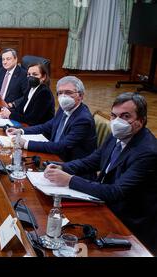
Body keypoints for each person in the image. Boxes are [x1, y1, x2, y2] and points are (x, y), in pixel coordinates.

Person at [44, 92, 157, 254]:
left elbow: (117, 192)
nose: (118, 121)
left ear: (141, 121)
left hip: (128, 221)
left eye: (125, 116)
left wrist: (69, 180)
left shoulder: (147, 152)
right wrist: (61, 167)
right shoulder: (117, 135)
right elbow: (92, 161)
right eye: (114, 115)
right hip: (104, 201)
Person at [7, 76, 96, 162]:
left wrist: (26, 143)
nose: (64, 97)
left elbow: (61, 146)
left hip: (70, 165)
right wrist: (21, 131)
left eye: (68, 92)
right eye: (60, 93)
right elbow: (47, 126)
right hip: (54, 155)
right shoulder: (64, 108)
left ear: (80, 95)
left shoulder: (83, 119)